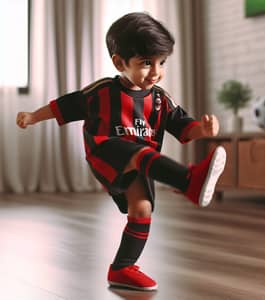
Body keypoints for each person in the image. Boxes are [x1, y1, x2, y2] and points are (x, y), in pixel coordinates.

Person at [16, 12, 226, 291]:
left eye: (161, 63)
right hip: (106, 151)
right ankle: (188, 181)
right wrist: (32, 116)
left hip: (142, 163)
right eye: (146, 63)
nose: (155, 72)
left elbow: (183, 127)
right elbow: (63, 106)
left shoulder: (160, 99)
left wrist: (204, 130)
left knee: (142, 209)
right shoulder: (101, 92)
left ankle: (122, 268)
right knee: (138, 154)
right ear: (119, 62)